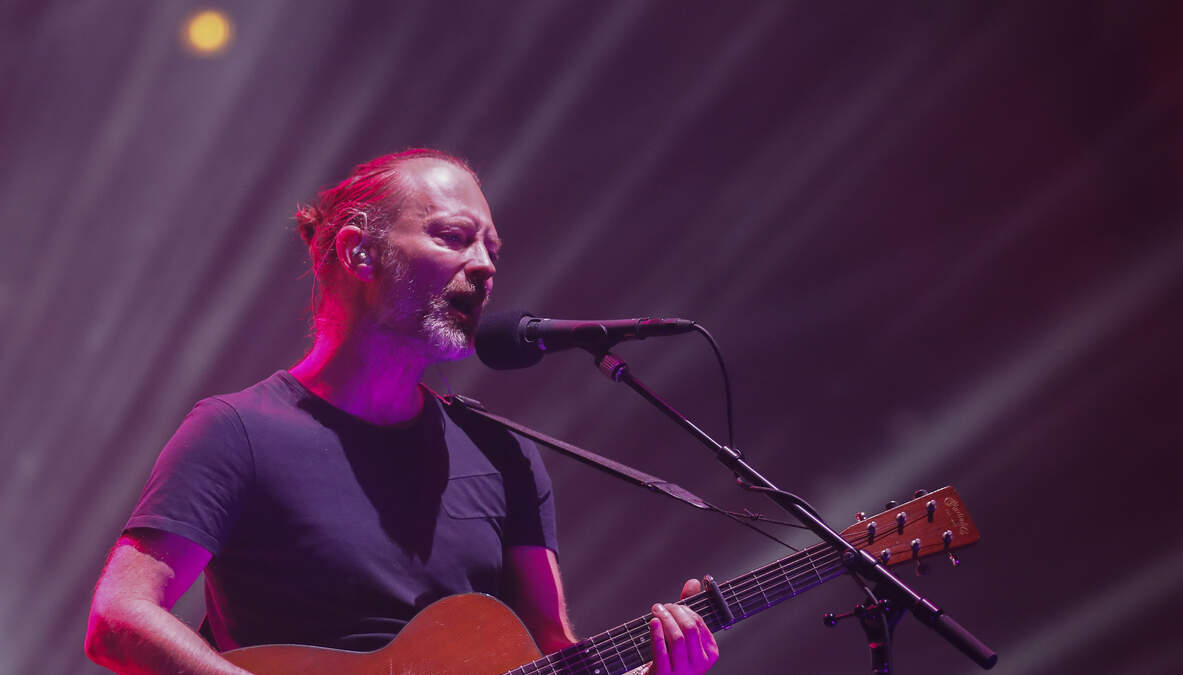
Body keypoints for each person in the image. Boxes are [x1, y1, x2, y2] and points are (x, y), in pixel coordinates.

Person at [84, 149, 719, 674]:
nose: (484, 266)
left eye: (491, 248)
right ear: (359, 253)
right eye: (454, 237)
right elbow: (118, 617)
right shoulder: (237, 432)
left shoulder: (505, 456)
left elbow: (554, 656)